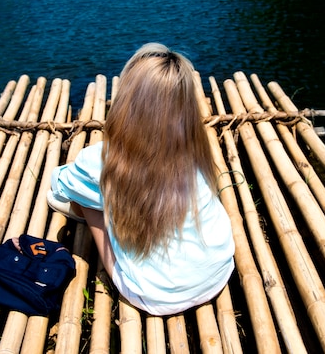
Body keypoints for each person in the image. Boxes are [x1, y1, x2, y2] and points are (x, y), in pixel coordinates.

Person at [46, 43, 235, 316]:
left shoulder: (101, 161)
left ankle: (93, 207)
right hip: (218, 271)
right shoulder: (195, 152)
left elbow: (58, 186)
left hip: (156, 295)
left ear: (126, 103)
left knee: (86, 198)